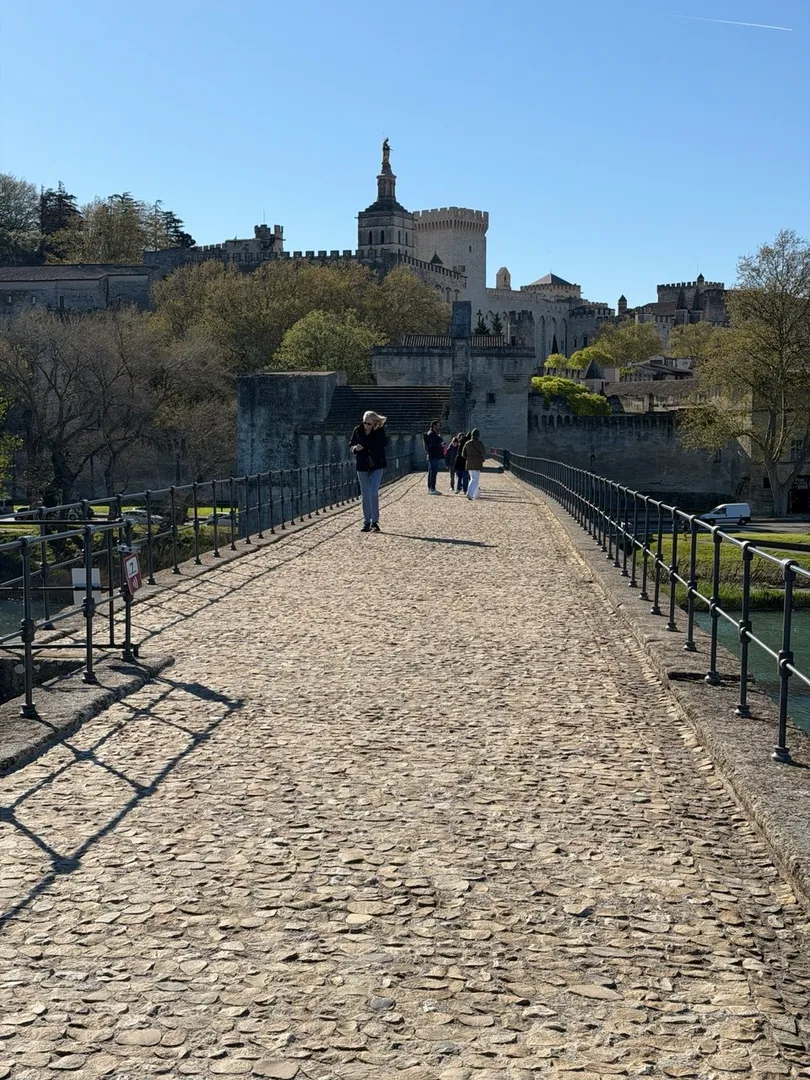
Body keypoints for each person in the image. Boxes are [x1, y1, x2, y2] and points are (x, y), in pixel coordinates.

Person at [349, 410, 388, 532]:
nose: (366, 425)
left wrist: (377, 431)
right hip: (362, 465)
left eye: (369, 424)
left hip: (377, 465)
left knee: (373, 491)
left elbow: (384, 443)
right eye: (365, 423)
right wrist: (355, 448)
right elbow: (351, 445)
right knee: (365, 495)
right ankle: (366, 522)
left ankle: (374, 521)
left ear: (374, 423)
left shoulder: (379, 431)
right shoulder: (357, 430)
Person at [463, 428, 486, 500]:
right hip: (477, 463)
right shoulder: (479, 443)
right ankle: (469, 493)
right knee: (474, 479)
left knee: (474, 478)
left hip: (469, 462)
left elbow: (463, 454)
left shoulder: (467, 443)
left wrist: (469, 457)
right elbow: (483, 452)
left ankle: (476, 495)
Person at [423, 420, 444, 495]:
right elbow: (434, 443)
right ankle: (432, 488)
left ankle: (431, 488)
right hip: (433, 455)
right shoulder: (432, 434)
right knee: (433, 472)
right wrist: (440, 439)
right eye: (438, 425)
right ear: (434, 425)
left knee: (432, 472)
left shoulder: (432, 433)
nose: (439, 427)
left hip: (433, 455)